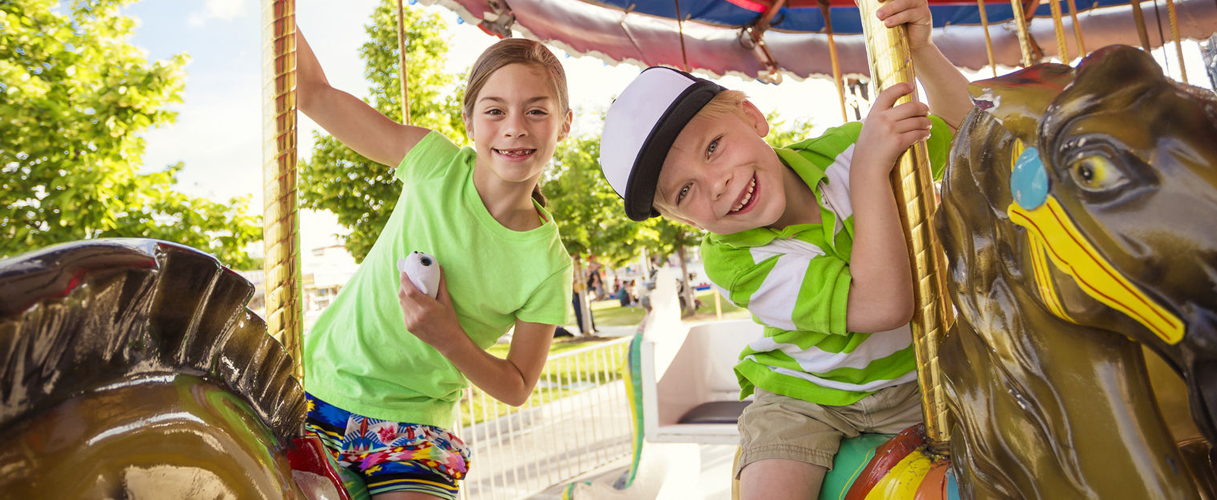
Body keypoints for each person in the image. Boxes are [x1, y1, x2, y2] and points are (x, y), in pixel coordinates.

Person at [596, 0, 971, 498]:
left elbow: (965, 129)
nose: (718, 184)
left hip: (917, 375)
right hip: (808, 399)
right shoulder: (732, 258)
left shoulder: (844, 151)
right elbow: (884, 305)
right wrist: (869, 175)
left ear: (752, 117)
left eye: (713, 147)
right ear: (682, 221)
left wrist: (922, 52)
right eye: (685, 192)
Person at [296, 26, 574, 500]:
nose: (515, 127)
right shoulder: (434, 165)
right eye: (495, 111)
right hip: (321, 390)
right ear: (469, 121)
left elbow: (518, 385)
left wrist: (449, 337)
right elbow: (313, 94)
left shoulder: (549, 265)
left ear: (564, 124)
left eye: (536, 111)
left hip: (413, 426)